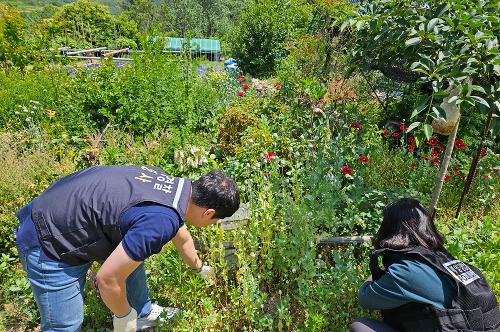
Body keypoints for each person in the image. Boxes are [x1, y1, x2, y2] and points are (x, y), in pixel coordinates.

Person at [14, 165, 240, 332]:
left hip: (67, 215)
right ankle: (133, 314)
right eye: (215, 221)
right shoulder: (160, 220)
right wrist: (123, 317)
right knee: (65, 325)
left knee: (132, 258)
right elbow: (107, 279)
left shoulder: (172, 187)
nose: (214, 225)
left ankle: (144, 313)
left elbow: (183, 239)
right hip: (49, 240)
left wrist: (200, 268)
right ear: (208, 213)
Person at [350, 198, 500, 332]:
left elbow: (365, 298)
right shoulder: (444, 259)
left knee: (360, 326)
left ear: (389, 229)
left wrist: (377, 272)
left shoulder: (407, 270)